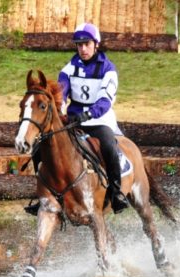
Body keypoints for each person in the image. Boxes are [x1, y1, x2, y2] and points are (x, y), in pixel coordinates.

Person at [57, 22, 129, 214]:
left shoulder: (108, 69)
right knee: (47, 142)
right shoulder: (69, 69)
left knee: (108, 146)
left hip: (99, 121)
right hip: (73, 121)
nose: (83, 49)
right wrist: (61, 107)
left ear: (96, 44)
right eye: (79, 45)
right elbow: (61, 93)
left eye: (87, 44)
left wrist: (88, 114)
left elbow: (106, 101)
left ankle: (116, 193)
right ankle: (45, 193)